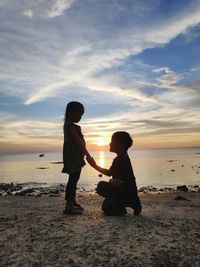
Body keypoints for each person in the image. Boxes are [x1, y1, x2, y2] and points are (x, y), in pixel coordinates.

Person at [88, 131, 142, 216]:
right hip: (126, 192)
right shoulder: (119, 158)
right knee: (105, 207)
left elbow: (120, 183)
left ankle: (127, 204)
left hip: (126, 192)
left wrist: (111, 182)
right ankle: (131, 203)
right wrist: (94, 165)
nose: (110, 143)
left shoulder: (123, 160)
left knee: (101, 186)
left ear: (120, 144)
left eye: (112, 141)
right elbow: (110, 173)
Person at [62, 101, 93, 215]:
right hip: (74, 157)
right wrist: (88, 155)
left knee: (74, 179)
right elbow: (79, 143)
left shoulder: (70, 125)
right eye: (79, 114)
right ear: (71, 113)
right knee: (73, 180)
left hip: (75, 156)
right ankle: (68, 207)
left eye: (81, 115)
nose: (80, 117)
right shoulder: (70, 126)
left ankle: (72, 201)